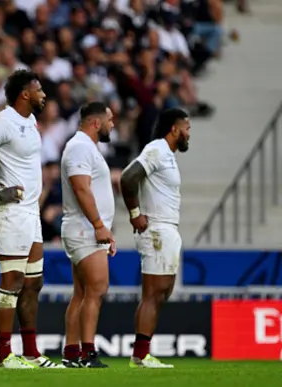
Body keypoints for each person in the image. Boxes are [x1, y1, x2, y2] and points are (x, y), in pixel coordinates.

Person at [0, 70, 60, 368]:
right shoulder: (4, 122)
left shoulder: (30, 121)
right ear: (25, 94)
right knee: (12, 281)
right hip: (10, 212)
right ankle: (4, 354)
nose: (43, 95)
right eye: (39, 90)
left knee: (34, 283)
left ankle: (31, 352)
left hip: (30, 212)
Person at [119, 108, 190, 368]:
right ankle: (139, 355)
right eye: (187, 128)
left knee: (161, 293)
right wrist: (135, 213)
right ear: (174, 129)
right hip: (157, 229)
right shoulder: (157, 149)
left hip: (167, 228)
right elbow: (128, 177)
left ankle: (142, 352)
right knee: (152, 294)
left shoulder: (167, 155)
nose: (188, 134)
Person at [60, 102, 116, 368]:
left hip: (86, 228)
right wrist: (98, 225)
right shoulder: (81, 147)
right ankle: (88, 353)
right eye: (110, 120)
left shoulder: (85, 147)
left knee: (82, 293)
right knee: (96, 289)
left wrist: (104, 228)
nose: (112, 124)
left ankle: (72, 353)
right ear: (96, 123)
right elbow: (81, 188)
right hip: (85, 228)